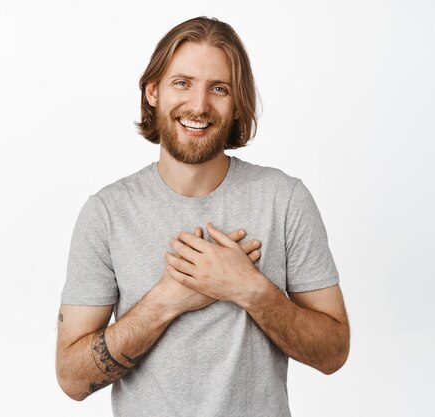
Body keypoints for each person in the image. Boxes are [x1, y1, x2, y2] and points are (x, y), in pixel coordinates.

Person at [56, 16, 350, 417]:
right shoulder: (106, 213)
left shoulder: (284, 200)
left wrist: (249, 290)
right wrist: (165, 301)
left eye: (219, 89)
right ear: (153, 91)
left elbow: (333, 353)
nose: (198, 105)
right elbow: (72, 379)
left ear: (236, 104)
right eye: (183, 83)